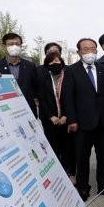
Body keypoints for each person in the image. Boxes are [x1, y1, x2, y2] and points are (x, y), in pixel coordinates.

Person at [62, 37, 104, 200]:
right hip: (82, 122)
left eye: (92, 48)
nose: (89, 52)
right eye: (85, 49)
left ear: (97, 50)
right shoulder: (71, 71)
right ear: (79, 51)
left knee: (103, 155)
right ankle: (83, 188)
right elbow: (68, 97)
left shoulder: (103, 69)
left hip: (102, 121)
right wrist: (71, 120)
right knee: (82, 156)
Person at [37, 49, 74, 178]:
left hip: (66, 119)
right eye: (51, 61)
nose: (55, 63)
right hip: (50, 120)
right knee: (53, 147)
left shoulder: (68, 76)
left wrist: (66, 115)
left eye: (57, 60)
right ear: (47, 64)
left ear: (62, 62)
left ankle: (67, 171)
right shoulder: (43, 78)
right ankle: (55, 173)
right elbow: (41, 99)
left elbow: (73, 98)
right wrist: (50, 116)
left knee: (67, 147)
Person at [0, 32, 39, 117]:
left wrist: (36, 100)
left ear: (21, 46)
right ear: (4, 47)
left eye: (17, 44)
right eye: (11, 44)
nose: (15, 46)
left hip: (28, 110)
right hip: (5, 111)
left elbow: (36, 86)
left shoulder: (30, 66)